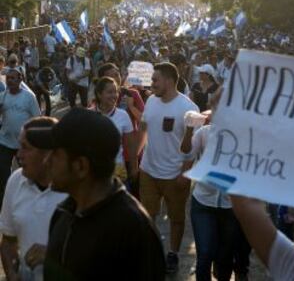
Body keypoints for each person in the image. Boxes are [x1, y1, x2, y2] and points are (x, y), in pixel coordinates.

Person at [26, 108, 165, 280]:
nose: (46, 162)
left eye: (55, 154)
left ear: (80, 166)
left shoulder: (133, 230)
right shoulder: (64, 212)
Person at [137, 62, 199, 273]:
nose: (151, 83)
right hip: (148, 171)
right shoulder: (151, 101)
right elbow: (144, 129)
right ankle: (151, 252)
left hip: (175, 175)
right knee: (147, 216)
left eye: (155, 80)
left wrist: (185, 173)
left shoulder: (189, 108)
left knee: (176, 219)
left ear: (169, 81)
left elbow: (194, 147)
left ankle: (172, 254)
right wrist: (137, 160)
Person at [0, 117, 67, 281]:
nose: (18, 155)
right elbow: (8, 241)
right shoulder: (15, 181)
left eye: (25, 148)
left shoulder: (75, 190)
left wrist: (52, 257)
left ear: (48, 154)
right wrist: (12, 274)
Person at [0, 67, 40, 206]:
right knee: (2, 173)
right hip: (4, 141)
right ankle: (6, 201)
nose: (9, 81)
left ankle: (30, 200)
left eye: (13, 78)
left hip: (24, 144)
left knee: (28, 172)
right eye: (8, 78)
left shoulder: (29, 97)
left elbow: (37, 118)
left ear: (20, 79)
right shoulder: (2, 96)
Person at [92, 77, 138, 182]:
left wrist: (134, 168)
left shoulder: (123, 115)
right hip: (94, 172)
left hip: (117, 171)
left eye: (115, 92)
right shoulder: (89, 115)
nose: (114, 95)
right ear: (99, 94)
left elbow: (131, 146)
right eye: (109, 92)